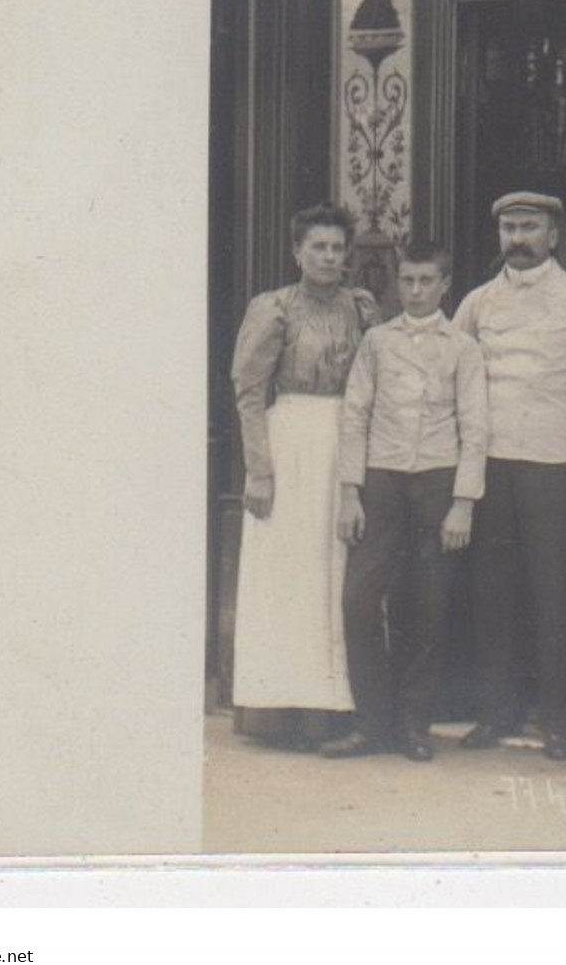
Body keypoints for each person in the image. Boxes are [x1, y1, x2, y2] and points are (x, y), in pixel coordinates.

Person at [452, 191, 566, 760]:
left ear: (554, 236)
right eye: (509, 228)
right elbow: (455, 375)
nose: (518, 239)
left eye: (530, 227)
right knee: (493, 593)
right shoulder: (476, 303)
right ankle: (499, 713)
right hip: (493, 464)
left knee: (556, 593)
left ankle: (557, 719)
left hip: (555, 465)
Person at [320, 243, 488, 762]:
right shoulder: (377, 342)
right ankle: (371, 724)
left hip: (437, 482)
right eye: (408, 281)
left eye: (426, 281)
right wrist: (350, 492)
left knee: (427, 604)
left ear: (444, 285)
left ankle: (413, 723)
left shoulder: (463, 348)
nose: (415, 291)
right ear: (398, 284)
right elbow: (355, 417)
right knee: (360, 600)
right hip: (382, 481)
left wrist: (463, 502)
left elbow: (475, 427)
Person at [229, 203, 380, 747]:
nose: (329, 257)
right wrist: (259, 471)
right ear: (297, 252)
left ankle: (330, 703)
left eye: (338, 248)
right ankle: (278, 705)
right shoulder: (274, 309)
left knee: (333, 567)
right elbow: (248, 391)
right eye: (318, 247)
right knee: (289, 571)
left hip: (343, 437)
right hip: (290, 440)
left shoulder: (361, 309)